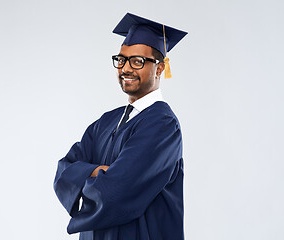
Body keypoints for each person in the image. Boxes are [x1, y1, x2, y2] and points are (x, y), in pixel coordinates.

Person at [54, 12, 187, 240]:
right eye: (121, 59)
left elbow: (116, 193)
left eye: (137, 61)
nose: (125, 68)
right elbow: (63, 172)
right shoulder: (106, 122)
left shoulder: (163, 125)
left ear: (159, 69)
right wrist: (98, 172)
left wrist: (87, 175)